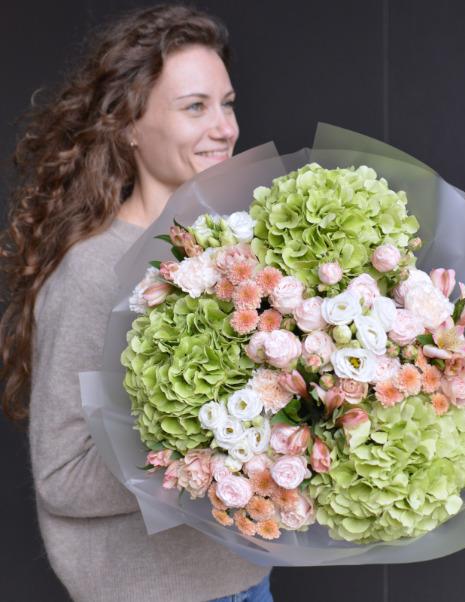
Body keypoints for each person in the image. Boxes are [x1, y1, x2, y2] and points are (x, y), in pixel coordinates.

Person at [0, 5, 273, 601]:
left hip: (248, 583)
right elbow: (62, 477)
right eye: (195, 107)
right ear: (128, 125)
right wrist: (212, 456)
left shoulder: (234, 249)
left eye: (227, 104)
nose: (224, 128)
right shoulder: (93, 270)